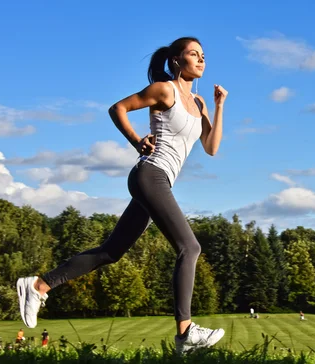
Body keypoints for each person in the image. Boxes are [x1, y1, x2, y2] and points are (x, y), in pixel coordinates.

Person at [16, 36, 227, 355]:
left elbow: (211, 148)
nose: (201, 60)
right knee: (190, 246)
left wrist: (219, 105)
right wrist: (135, 140)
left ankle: (38, 285)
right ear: (175, 61)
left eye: (203, 55)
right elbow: (118, 108)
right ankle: (185, 334)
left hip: (160, 182)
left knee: (111, 251)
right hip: (149, 174)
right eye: (193, 54)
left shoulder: (198, 104)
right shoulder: (164, 89)